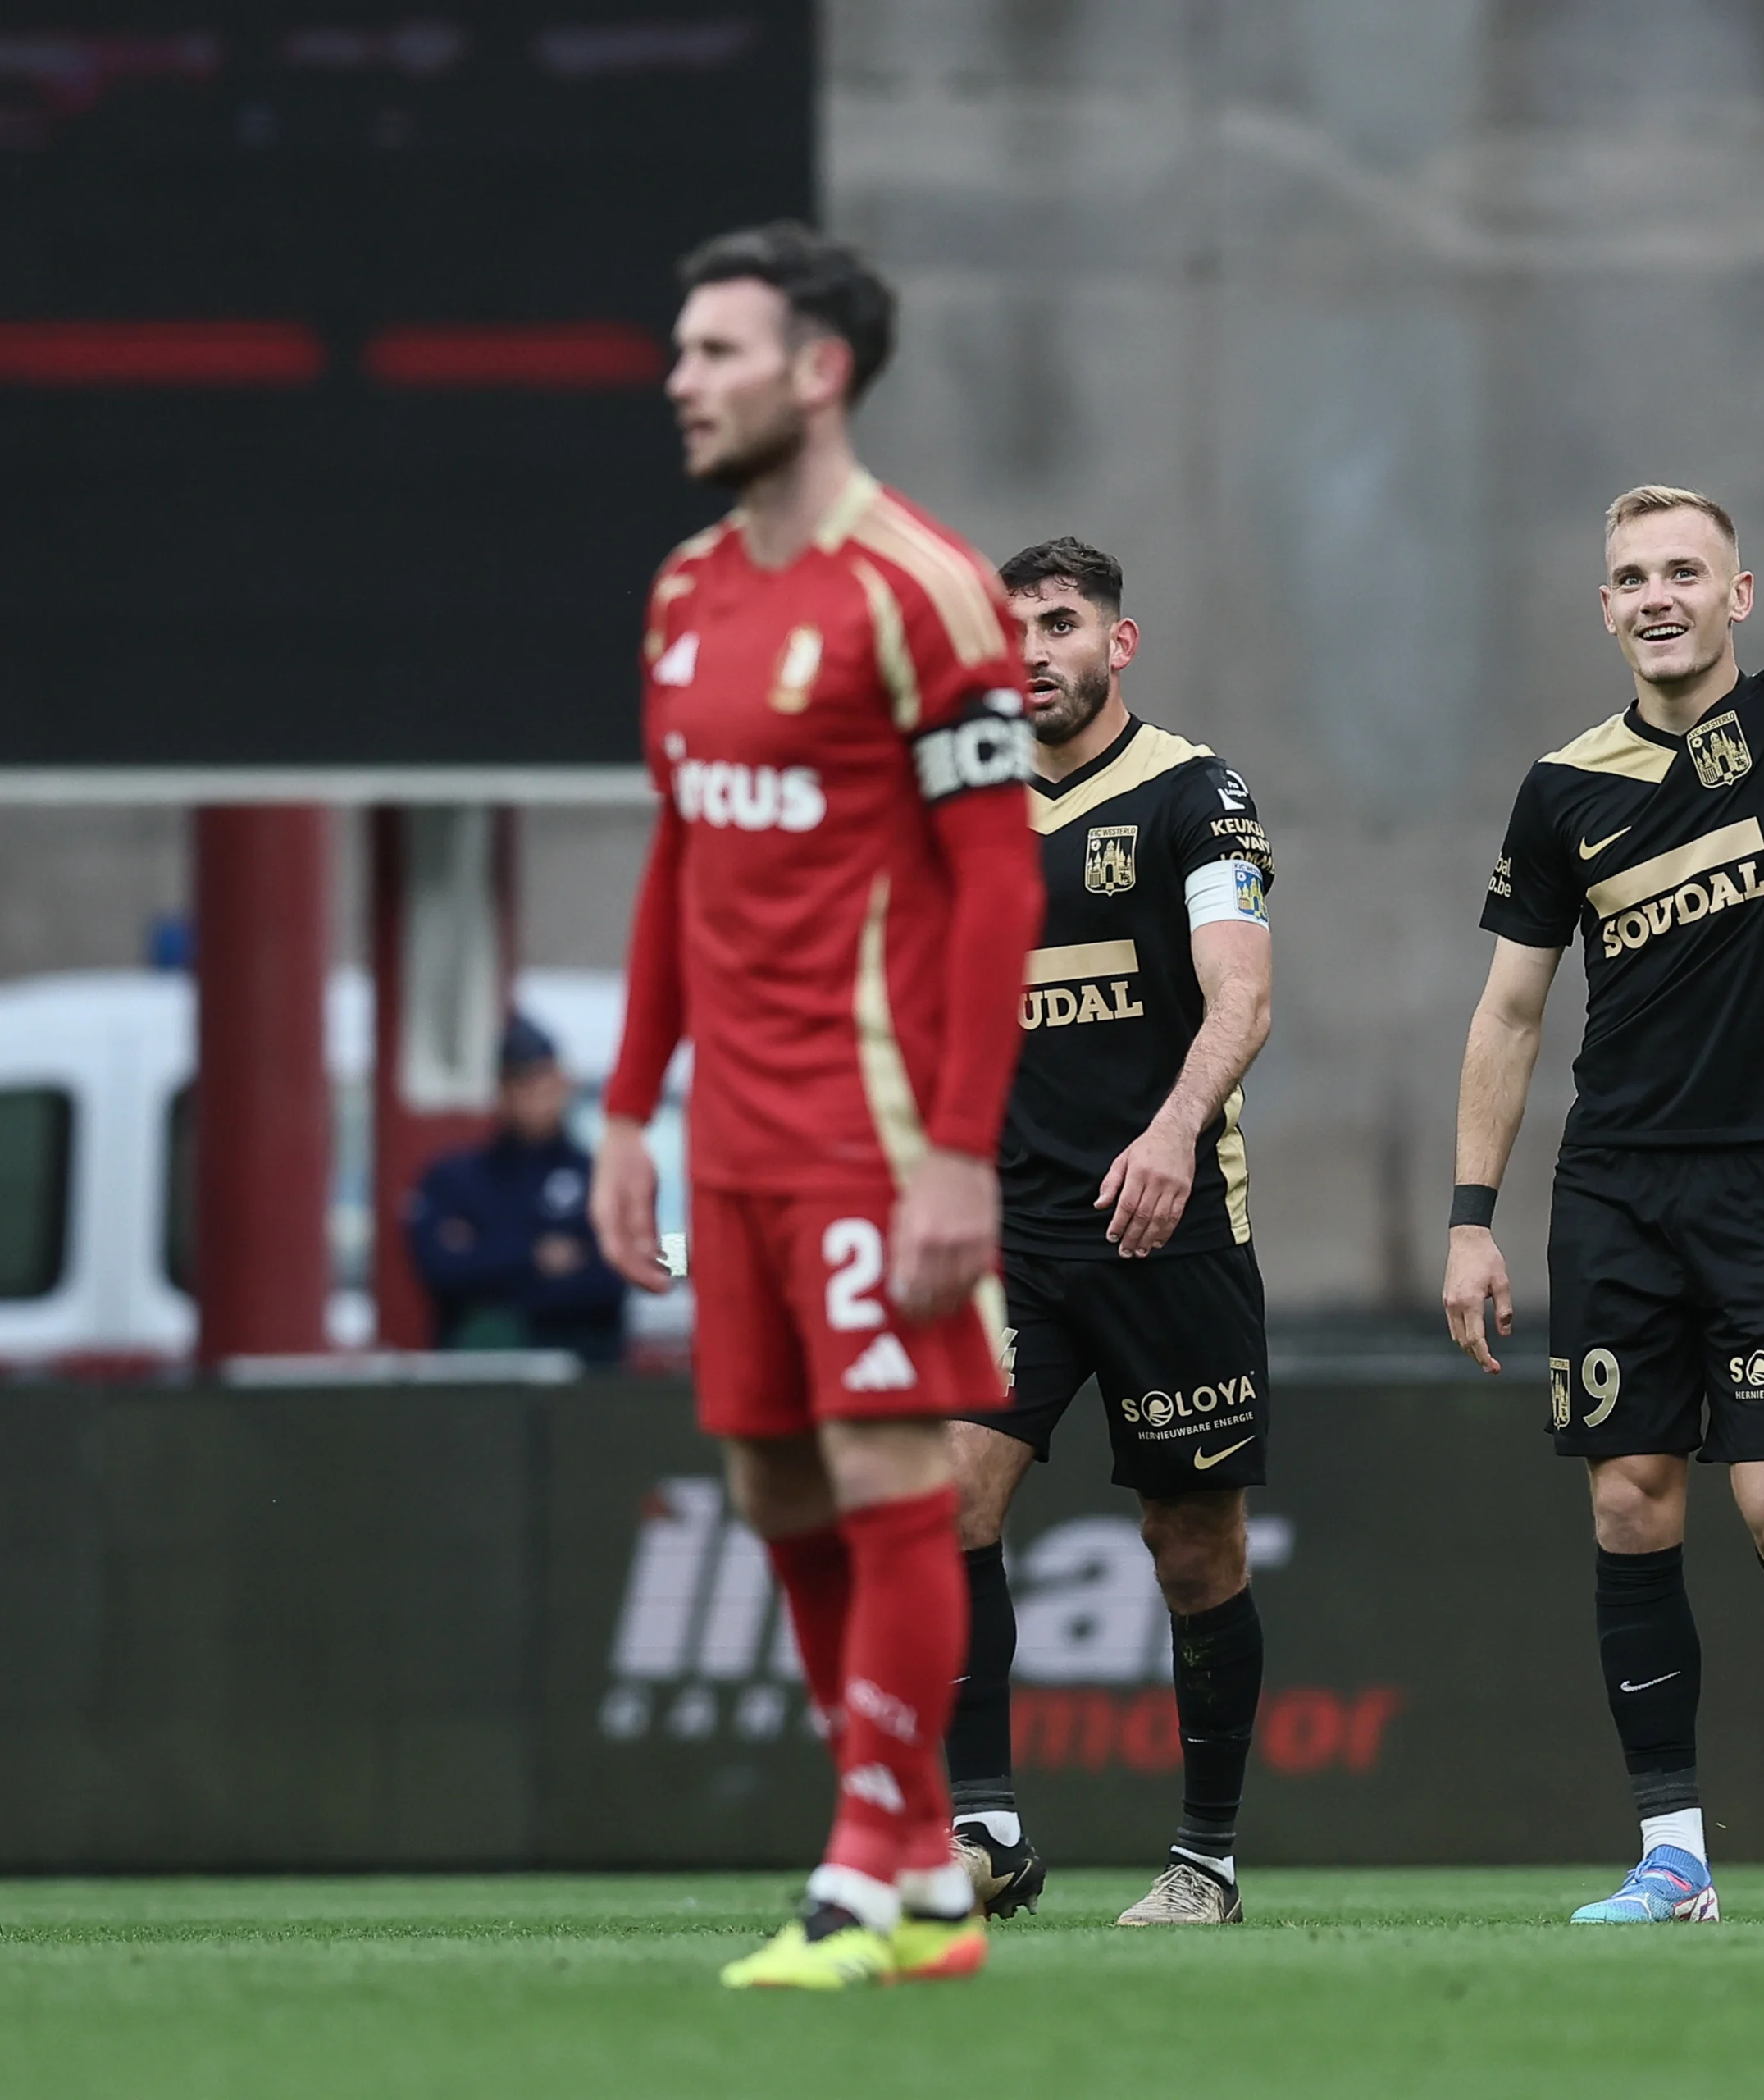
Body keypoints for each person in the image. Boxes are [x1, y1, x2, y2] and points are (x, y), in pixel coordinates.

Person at [588, 221, 1042, 1991]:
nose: (680, 379)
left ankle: (862, 1867)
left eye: (716, 350)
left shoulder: (924, 588)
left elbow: (996, 883)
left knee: (887, 1470)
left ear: (820, 370)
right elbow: (679, 851)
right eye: (682, 349)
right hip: (734, 1138)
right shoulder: (688, 585)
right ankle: (927, 1870)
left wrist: (953, 1148)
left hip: (872, 1123)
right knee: (774, 1482)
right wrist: (630, 1112)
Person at [1441, 238, 1764, 1924]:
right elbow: (1507, 1015)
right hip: (1618, 1184)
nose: (1653, 591)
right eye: (1629, 571)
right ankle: (1675, 1854)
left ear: (1738, 592)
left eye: (1682, 567)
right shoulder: (1560, 787)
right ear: (1607, 603)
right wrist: (1471, 1218)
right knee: (1634, 1505)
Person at [939, 537, 1278, 1929]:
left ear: (1116, 645)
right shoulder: (955, 816)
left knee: (1192, 1549)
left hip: (1169, 1227)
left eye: (1061, 623)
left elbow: (1241, 997)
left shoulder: (1200, 795)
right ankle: (984, 1830)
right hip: (1010, 1238)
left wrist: (1172, 1127)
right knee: (941, 1503)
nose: (1032, 651)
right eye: (1009, 628)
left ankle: (1205, 1858)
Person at [405, 1013, 627, 1364]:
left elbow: (626, 1271)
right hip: (478, 1381)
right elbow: (439, 1269)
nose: (534, 1096)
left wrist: (491, 1261)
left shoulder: (601, 1176)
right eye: (520, 1083)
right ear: (501, 1090)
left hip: (584, 1376)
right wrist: (535, 1256)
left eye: (543, 1080)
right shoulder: (454, 1178)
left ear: (563, 1083)